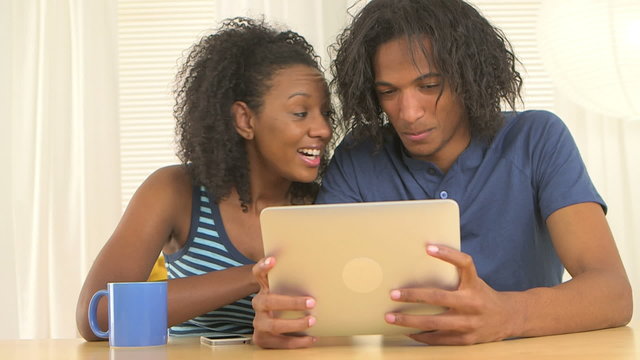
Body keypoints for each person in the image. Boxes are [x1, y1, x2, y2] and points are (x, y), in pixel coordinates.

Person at [250, 0, 632, 348]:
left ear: (469, 78)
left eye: (429, 86)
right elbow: (327, 310)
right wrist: (286, 323)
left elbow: (613, 293)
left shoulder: (536, 139)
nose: (408, 111)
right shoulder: (359, 156)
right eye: (388, 92)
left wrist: (507, 314)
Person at [76, 17, 334, 340]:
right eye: (301, 112)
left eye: (326, 113)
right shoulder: (174, 192)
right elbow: (97, 316)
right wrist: (255, 276)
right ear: (245, 119)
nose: (323, 130)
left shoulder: (329, 202)